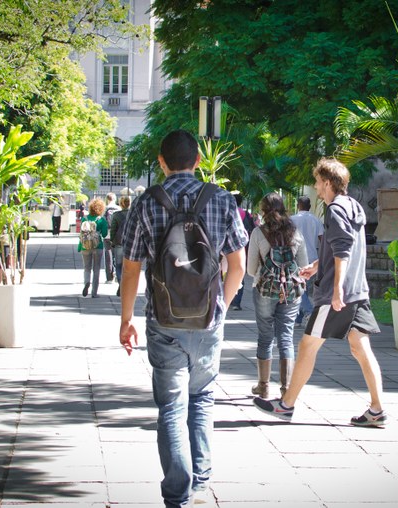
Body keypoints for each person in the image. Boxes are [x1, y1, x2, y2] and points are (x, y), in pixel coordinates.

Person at [118, 129, 247, 508]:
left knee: (171, 406)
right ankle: (200, 479)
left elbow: (130, 268)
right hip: (208, 319)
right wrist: (220, 304)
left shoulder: (146, 202)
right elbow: (237, 266)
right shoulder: (221, 200)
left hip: (163, 319)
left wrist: (126, 320)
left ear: (161, 162)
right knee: (202, 396)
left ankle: (177, 492)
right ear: (198, 161)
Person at [253, 157, 387, 428]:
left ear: (327, 182)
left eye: (317, 182)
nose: (315, 187)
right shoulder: (353, 206)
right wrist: (316, 266)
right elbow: (341, 248)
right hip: (358, 291)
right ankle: (377, 409)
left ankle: (286, 405)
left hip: (339, 294)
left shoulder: (335, 209)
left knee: (307, 345)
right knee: (361, 349)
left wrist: (336, 289)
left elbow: (342, 251)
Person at [247, 192, 308, 399]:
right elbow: (304, 264)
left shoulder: (258, 233)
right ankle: (286, 389)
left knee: (265, 337)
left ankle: (263, 386)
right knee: (286, 337)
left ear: (263, 211)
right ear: (284, 208)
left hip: (265, 290)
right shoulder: (295, 231)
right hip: (291, 291)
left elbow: (250, 269)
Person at [290, 195, 323, 327]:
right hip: (313, 258)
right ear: (309, 206)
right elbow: (322, 239)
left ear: (298, 205)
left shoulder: (292, 220)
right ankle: (298, 319)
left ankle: (309, 311)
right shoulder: (316, 220)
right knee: (304, 288)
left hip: (296, 256)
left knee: (297, 287)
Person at [229, 193, 256, 310]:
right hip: (242, 248)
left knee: (225, 273)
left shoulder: (227, 211)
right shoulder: (246, 214)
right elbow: (253, 229)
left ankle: (228, 299)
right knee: (240, 274)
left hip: (226, 249)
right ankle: (236, 302)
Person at [78, 198, 108, 298]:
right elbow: (104, 234)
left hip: (85, 246)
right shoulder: (101, 220)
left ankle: (86, 282)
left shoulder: (85, 219)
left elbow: (81, 234)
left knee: (87, 267)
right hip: (97, 246)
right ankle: (94, 292)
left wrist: (80, 247)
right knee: (96, 269)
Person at [108, 195, 130, 297]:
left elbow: (113, 230)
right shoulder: (133, 214)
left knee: (119, 265)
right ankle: (125, 286)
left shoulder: (116, 215)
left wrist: (112, 240)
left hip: (119, 243)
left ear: (121, 204)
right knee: (129, 266)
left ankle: (121, 283)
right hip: (130, 244)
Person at [103, 192, 121, 283]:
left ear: (107, 199)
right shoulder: (119, 209)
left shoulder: (105, 209)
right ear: (115, 199)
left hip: (107, 235)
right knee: (118, 256)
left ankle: (109, 278)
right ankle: (118, 276)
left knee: (108, 256)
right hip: (117, 236)